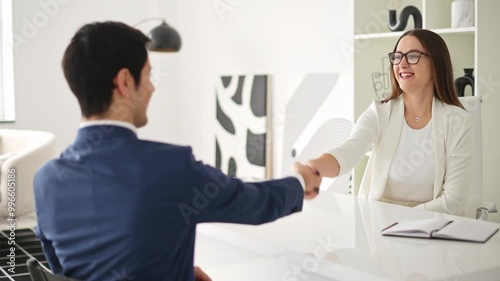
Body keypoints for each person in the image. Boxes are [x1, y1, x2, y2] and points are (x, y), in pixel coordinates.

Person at [33, 21, 321, 281]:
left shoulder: (46, 180)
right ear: (124, 82)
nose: (152, 88)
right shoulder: (170, 167)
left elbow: (65, 271)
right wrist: (300, 180)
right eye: (148, 75)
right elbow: (255, 202)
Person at [306, 29, 473, 216]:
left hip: (432, 228)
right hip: (379, 228)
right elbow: (350, 150)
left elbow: (453, 201)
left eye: (412, 56)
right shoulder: (379, 113)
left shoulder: (458, 121)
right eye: (397, 56)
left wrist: (403, 220)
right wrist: (315, 168)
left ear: (435, 65)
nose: (401, 64)